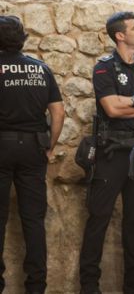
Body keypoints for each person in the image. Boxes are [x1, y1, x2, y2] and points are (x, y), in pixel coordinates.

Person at [78, 11, 134, 294]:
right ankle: (89, 285)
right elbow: (110, 108)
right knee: (99, 218)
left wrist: (132, 104)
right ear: (120, 35)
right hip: (110, 152)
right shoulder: (104, 67)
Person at [0, 16, 64, 294]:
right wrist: (50, 145)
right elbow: (58, 111)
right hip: (34, 149)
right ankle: (36, 287)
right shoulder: (41, 69)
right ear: (23, 38)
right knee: (34, 220)